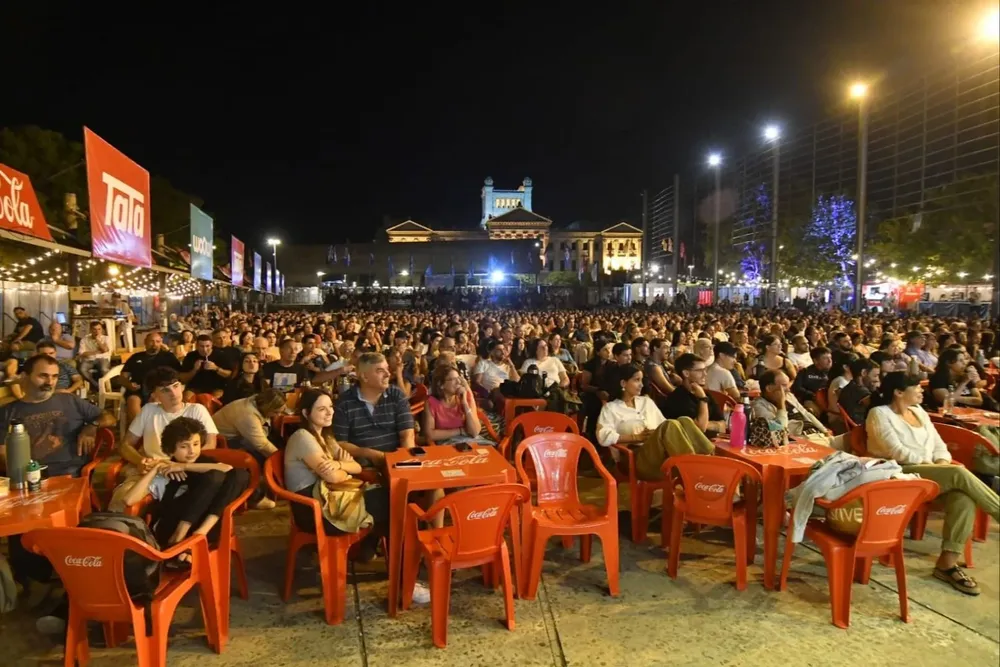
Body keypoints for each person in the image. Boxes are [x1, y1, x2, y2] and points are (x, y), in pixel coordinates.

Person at [866, 372, 1000, 595]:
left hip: (930, 473)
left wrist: (940, 463)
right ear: (899, 392)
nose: (921, 390)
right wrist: (937, 467)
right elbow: (896, 451)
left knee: (963, 496)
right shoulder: (879, 414)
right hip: (899, 473)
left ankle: (947, 564)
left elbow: (939, 444)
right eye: (916, 387)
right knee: (958, 473)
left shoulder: (919, 412)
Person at [282, 390, 418, 594]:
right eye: (321, 409)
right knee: (395, 503)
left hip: (332, 499)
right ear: (305, 412)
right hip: (315, 511)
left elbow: (355, 467)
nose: (329, 413)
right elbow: (334, 478)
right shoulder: (303, 437)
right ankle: (406, 579)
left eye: (330, 407)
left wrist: (339, 464)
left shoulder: (326, 436)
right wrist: (342, 467)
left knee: (393, 500)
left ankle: (390, 565)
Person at [122, 417, 249, 570]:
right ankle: (182, 538)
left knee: (238, 474)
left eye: (195, 444)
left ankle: (198, 534)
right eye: (184, 446)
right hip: (169, 525)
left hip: (201, 527)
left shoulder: (202, 463)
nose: (192, 451)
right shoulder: (165, 471)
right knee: (215, 476)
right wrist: (156, 468)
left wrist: (183, 466)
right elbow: (129, 500)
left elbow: (227, 468)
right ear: (170, 450)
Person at [119, 367, 218, 466]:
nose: (173, 394)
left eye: (176, 386)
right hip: (155, 467)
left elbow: (210, 445)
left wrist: (181, 465)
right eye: (165, 390)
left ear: (182, 386)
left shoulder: (197, 410)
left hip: (189, 467)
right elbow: (125, 445)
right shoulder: (148, 410)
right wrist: (140, 462)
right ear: (154, 395)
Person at [333, 352, 415, 464]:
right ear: (364, 377)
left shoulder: (396, 395)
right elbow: (340, 443)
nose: (388, 374)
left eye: (387, 369)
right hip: (362, 467)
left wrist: (408, 462)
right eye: (380, 371)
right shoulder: (344, 402)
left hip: (397, 461)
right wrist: (371, 454)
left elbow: (407, 435)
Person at [212, 389, 288, 509]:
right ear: (268, 408)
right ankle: (255, 497)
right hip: (223, 442)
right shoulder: (247, 415)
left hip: (237, 435)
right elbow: (262, 445)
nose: (278, 415)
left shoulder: (256, 402)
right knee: (258, 458)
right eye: (276, 412)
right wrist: (283, 460)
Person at [121, 332, 182, 421]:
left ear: (161, 343)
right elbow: (122, 377)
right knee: (132, 401)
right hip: (138, 389)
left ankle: (155, 427)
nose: (154, 344)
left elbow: (179, 375)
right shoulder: (136, 357)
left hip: (162, 389)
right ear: (145, 342)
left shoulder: (168, 357)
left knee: (157, 400)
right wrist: (129, 384)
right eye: (151, 341)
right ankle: (140, 429)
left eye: (157, 342)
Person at [661, 353, 726, 436]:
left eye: (705, 370)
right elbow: (699, 429)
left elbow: (723, 426)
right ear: (686, 373)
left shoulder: (707, 394)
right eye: (700, 371)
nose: (705, 374)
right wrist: (703, 399)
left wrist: (706, 423)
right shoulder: (677, 399)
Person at [423, 364, 486, 445]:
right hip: (448, 444)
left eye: (459, 378)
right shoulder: (431, 402)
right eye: (453, 379)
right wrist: (460, 431)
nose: (459, 382)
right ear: (441, 384)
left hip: (472, 441)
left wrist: (464, 403)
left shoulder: (465, 396)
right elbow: (430, 435)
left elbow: (474, 432)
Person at [76, 320, 112, 390]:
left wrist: (98, 340)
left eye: (99, 329)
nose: (97, 331)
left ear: (102, 329)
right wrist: (97, 352)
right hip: (89, 360)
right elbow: (82, 353)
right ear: (90, 330)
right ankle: (97, 386)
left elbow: (105, 350)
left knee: (104, 369)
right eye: (94, 329)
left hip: (102, 359)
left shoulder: (106, 338)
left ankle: (106, 387)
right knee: (82, 369)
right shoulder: (84, 339)